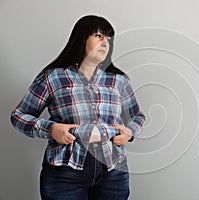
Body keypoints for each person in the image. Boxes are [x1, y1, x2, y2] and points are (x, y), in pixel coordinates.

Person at [10, 15, 145, 200]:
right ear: (82, 38)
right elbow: (18, 115)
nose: (105, 43)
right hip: (65, 173)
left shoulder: (118, 81)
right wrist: (51, 129)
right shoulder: (54, 78)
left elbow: (137, 115)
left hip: (113, 172)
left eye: (109, 39)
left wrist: (130, 132)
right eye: (99, 36)